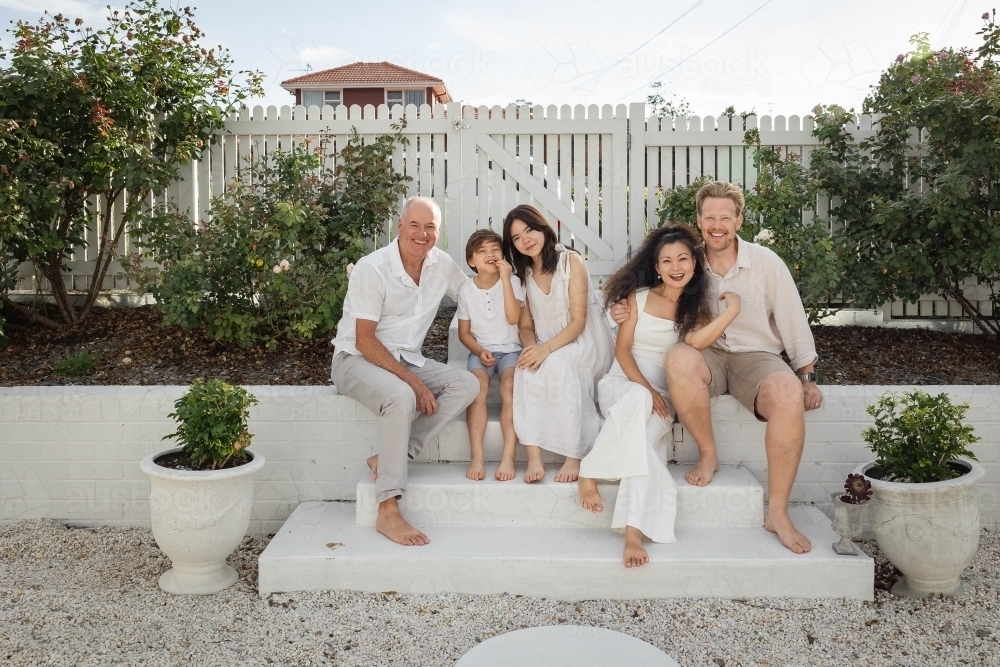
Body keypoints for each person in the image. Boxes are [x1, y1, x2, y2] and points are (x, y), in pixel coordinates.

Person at [612, 181, 822, 555]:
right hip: (705, 355)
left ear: (739, 219)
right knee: (677, 357)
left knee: (788, 392)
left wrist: (806, 376)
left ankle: (777, 512)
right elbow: (646, 284)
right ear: (700, 220)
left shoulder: (766, 263)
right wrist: (618, 310)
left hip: (756, 356)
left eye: (726, 216)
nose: (717, 224)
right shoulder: (685, 259)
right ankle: (709, 454)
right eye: (710, 217)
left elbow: (792, 320)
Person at [579, 225, 741, 568]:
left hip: (664, 398)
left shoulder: (695, 310)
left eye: (683, 258)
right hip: (622, 384)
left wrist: (730, 312)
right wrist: (647, 389)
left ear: (694, 264)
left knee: (646, 451)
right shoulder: (637, 299)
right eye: (666, 260)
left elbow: (697, 344)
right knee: (638, 404)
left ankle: (632, 532)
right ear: (656, 267)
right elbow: (623, 351)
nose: (675, 266)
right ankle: (589, 474)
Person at [330, 196, 480, 546]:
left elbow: (476, 294)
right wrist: (413, 383)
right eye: (415, 224)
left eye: (430, 227)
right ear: (400, 227)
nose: (422, 233)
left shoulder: (441, 265)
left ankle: (389, 458)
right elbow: (364, 340)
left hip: (406, 359)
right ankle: (388, 509)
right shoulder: (373, 268)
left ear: (438, 233)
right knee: (401, 394)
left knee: (466, 384)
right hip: (355, 360)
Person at [503, 205, 615, 484]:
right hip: (547, 341)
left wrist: (545, 350)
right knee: (524, 369)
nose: (525, 239)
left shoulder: (570, 261)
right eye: (516, 237)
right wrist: (531, 348)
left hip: (585, 339)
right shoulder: (524, 274)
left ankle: (573, 455)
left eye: (529, 230)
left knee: (559, 365)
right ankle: (534, 456)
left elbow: (578, 322)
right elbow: (526, 327)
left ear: (542, 227)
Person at [456, 229, 526, 482]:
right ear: (472, 261)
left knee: (509, 386)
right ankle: (477, 456)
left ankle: (509, 455)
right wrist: (479, 351)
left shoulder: (514, 283)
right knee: (478, 387)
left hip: (511, 350)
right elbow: (463, 333)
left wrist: (506, 280)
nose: (490, 254)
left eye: (495, 249)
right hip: (481, 351)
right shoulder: (466, 290)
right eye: (482, 251)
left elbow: (513, 318)